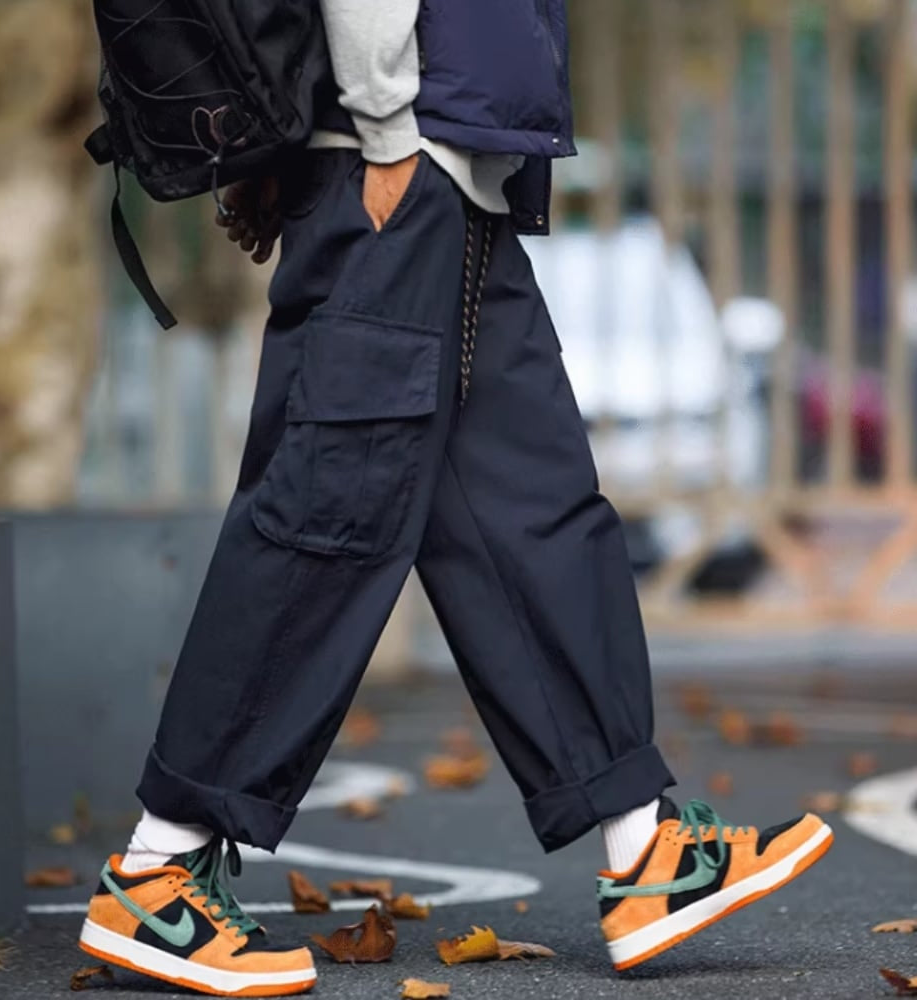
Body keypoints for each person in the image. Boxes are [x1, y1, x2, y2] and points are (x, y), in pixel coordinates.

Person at [77, 1, 833, 995]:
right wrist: (385, 126)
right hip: (399, 163)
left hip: (448, 176)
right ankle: (159, 869)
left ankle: (644, 842)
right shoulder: (393, 144)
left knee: (534, 510)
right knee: (323, 521)